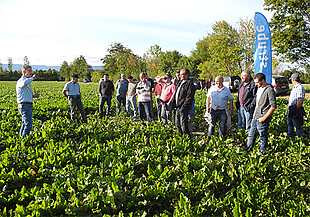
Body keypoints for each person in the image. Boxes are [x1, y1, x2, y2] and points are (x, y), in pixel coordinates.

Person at [246, 73, 276, 154]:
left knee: (262, 137)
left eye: (257, 82)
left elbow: (273, 106)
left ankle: (262, 154)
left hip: (263, 118)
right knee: (251, 135)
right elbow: (258, 102)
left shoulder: (269, 90)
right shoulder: (259, 89)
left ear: (263, 80)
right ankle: (248, 152)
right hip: (256, 117)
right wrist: (255, 112)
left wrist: (264, 118)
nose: (255, 85)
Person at [16, 65, 39, 138]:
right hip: (24, 105)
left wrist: (33, 96)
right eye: (29, 71)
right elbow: (24, 83)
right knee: (28, 125)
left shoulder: (27, 82)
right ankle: (24, 140)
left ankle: (20, 139)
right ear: (23, 72)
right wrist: (32, 78)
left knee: (24, 123)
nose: (31, 72)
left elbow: (25, 94)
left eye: (31, 71)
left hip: (27, 105)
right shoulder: (21, 81)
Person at [172, 68, 195, 137]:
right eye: (180, 74)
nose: (180, 76)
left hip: (183, 107)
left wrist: (184, 107)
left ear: (187, 75)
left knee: (183, 125)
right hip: (177, 107)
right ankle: (180, 137)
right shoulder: (180, 82)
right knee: (177, 123)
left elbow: (189, 97)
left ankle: (186, 138)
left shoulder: (189, 83)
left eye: (182, 74)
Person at [287, 73, 306, 137]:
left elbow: (300, 100)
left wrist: (295, 110)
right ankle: (290, 137)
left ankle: (299, 139)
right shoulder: (294, 87)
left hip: (295, 109)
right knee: (290, 124)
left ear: (293, 80)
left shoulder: (300, 88)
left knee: (297, 126)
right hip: (291, 108)